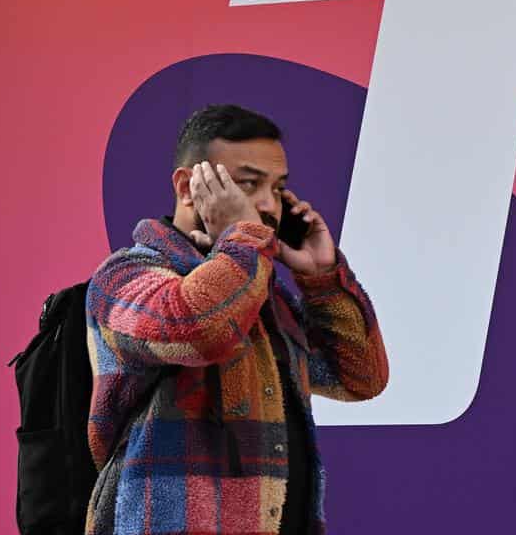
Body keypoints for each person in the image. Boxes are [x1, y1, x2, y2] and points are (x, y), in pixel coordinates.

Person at [83, 103, 389, 535]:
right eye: (247, 184)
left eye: (278, 187)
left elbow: (360, 377)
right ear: (188, 187)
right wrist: (245, 238)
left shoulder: (265, 296)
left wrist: (321, 276)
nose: (268, 205)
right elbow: (197, 329)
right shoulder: (125, 275)